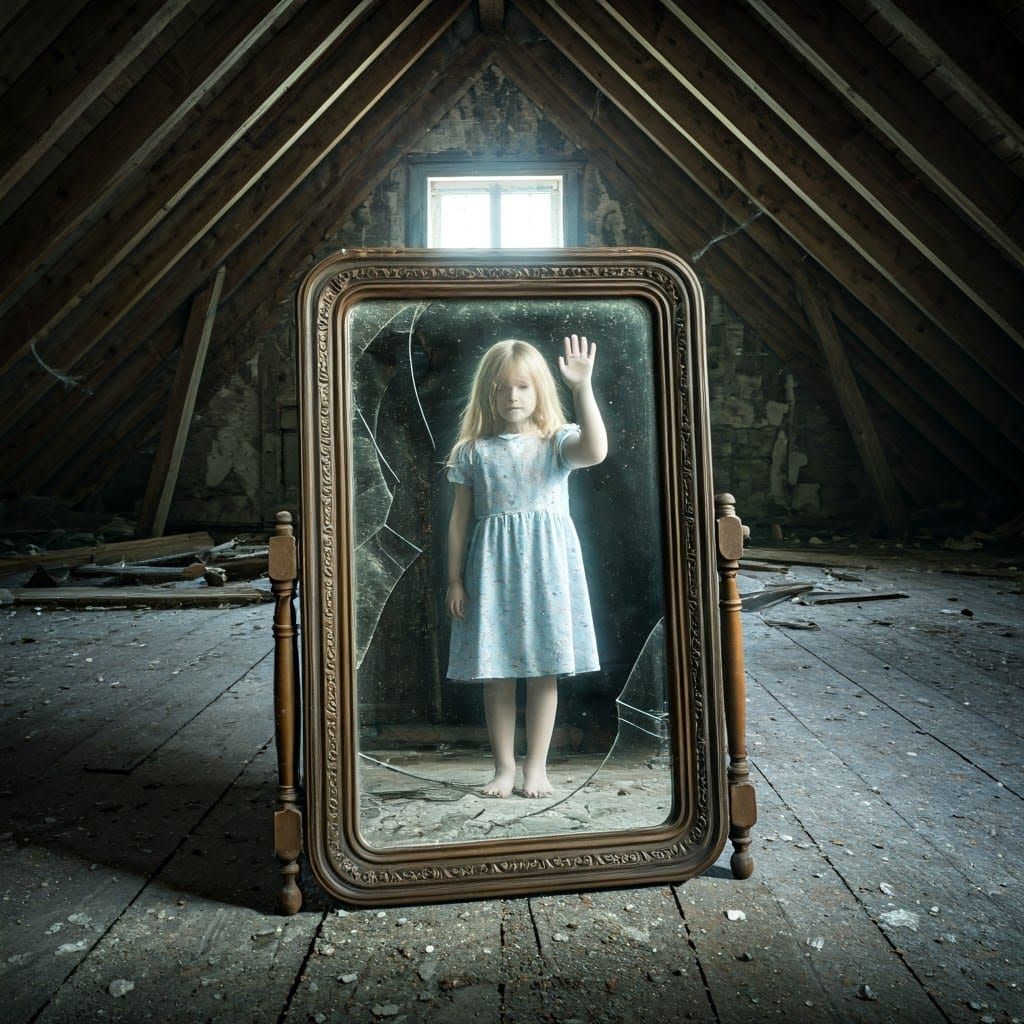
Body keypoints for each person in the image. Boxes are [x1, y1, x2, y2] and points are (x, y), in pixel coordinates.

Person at [445, 334, 607, 798]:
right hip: (492, 571)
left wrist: (582, 387)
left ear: (539, 391)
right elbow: (459, 521)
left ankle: (536, 767)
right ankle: (503, 768)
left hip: (547, 572)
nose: (511, 397)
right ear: (487, 394)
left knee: (543, 671)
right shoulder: (473, 450)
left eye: (522, 387)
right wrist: (454, 579)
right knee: (496, 673)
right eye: (500, 388)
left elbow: (595, 451)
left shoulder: (556, 442)